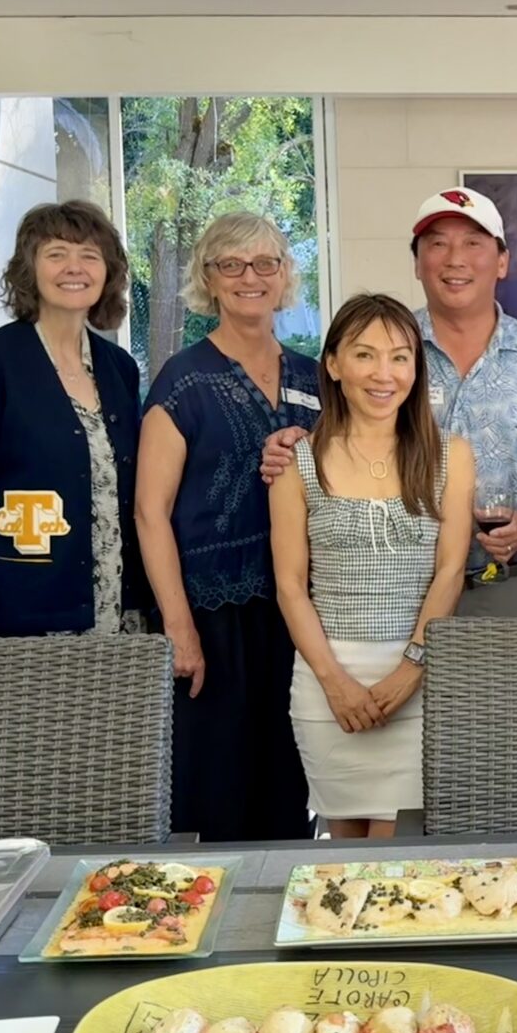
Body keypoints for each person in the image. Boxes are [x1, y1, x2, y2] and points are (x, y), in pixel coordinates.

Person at [260, 187, 517, 616]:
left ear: (503, 261)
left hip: (505, 583)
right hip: (400, 587)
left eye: (473, 243)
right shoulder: (387, 348)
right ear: (417, 263)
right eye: (438, 244)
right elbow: (337, 437)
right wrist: (293, 443)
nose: (455, 259)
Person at [137, 212, 321, 841]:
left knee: (290, 791)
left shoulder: (315, 377)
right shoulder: (183, 380)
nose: (251, 277)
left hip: (300, 612)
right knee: (214, 793)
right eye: (232, 265)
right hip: (212, 618)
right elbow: (150, 512)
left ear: (285, 275)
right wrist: (178, 627)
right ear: (208, 278)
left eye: (266, 263)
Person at [270, 293, 474, 837]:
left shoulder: (451, 456)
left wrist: (412, 667)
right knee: (343, 858)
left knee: (395, 861)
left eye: (400, 357)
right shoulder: (297, 460)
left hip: (418, 682)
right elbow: (290, 586)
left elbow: (450, 571)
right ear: (334, 365)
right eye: (365, 355)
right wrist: (334, 681)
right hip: (325, 684)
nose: (384, 374)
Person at [0, 200, 146, 637]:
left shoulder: (119, 368)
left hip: (120, 619)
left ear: (107, 272)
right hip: (24, 622)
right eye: (56, 254)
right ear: (29, 268)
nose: (74, 267)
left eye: (89, 255)